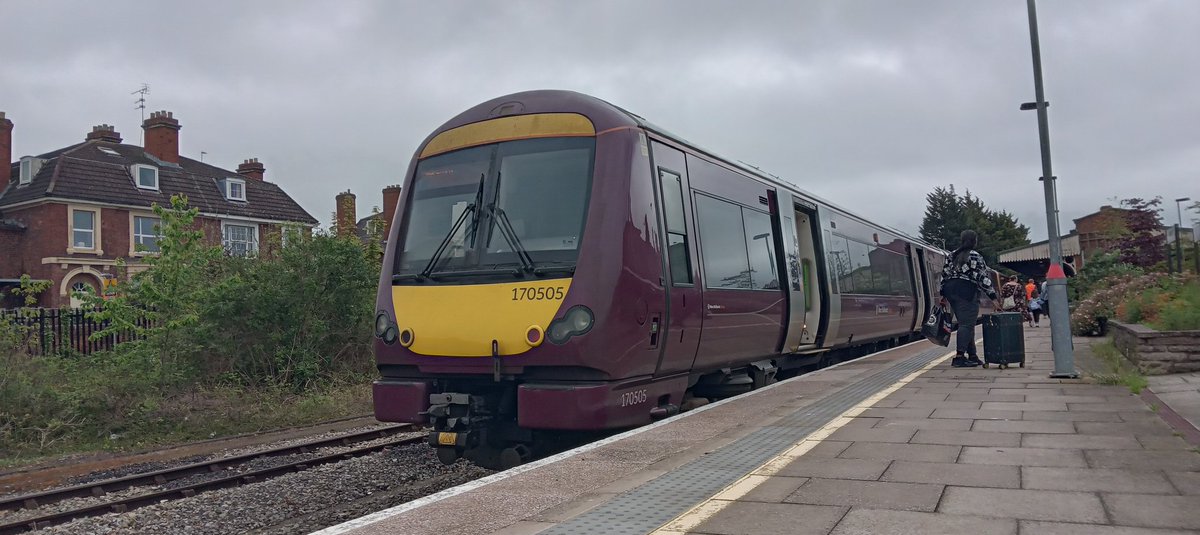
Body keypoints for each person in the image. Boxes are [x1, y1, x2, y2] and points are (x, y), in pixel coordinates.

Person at [940, 230, 1000, 368]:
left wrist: (942, 294)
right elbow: (982, 278)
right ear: (974, 241)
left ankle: (972, 355)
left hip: (950, 290)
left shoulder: (952, 255)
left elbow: (944, 274)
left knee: (967, 323)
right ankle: (959, 357)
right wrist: (993, 298)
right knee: (966, 325)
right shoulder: (975, 256)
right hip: (966, 291)